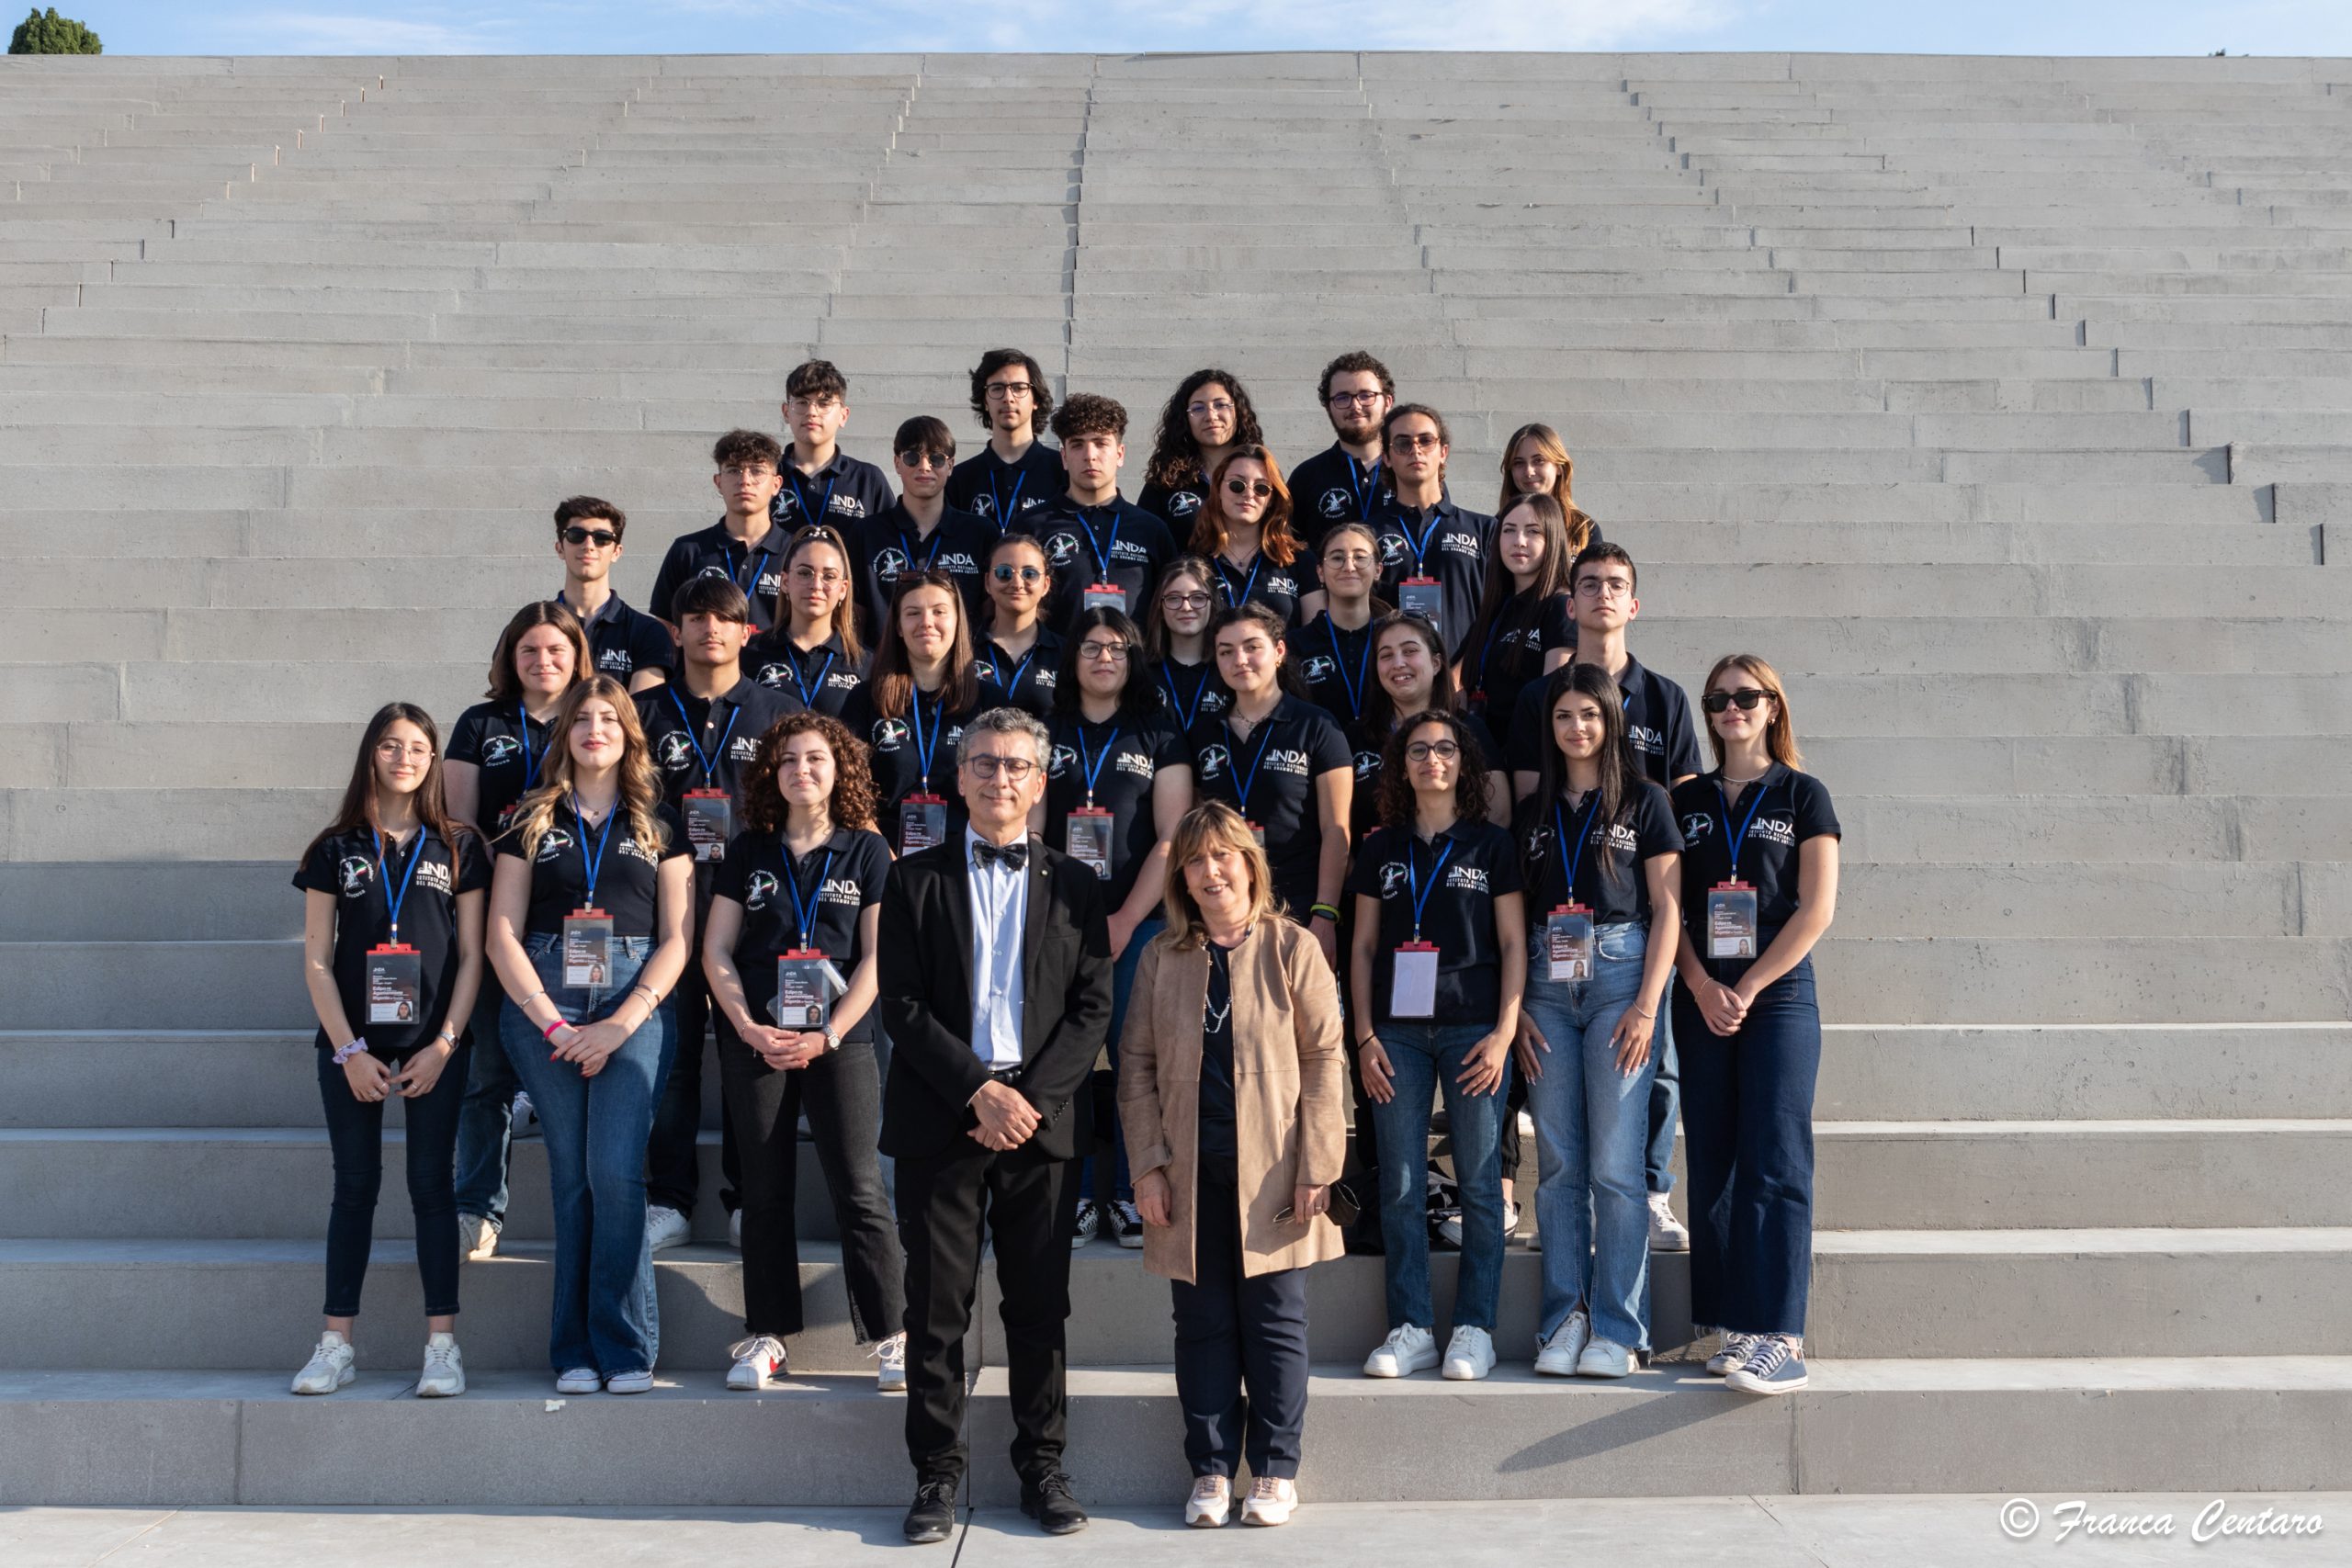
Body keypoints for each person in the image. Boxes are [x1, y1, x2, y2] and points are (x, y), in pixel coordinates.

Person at [878, 707, 1114, 1544]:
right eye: (985, 762)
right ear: (960, 774)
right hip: (943, 1118)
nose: (1000, 777)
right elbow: (900, 1007)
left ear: (1039, 781)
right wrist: (978, 1091)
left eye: (1016, 765)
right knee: (936, 1309)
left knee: (1039, 1308)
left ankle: (1042, 1467)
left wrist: (1027, 1100)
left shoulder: (1080, 885)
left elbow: (1092, 1009)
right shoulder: (910, 880)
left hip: (1039, 1126)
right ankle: (936, 1473)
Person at [1120, 802, 1346, 1529]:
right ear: (1180, 876)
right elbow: (1136, 1066)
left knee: (1276, 1322)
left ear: (1250, 862)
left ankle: (1276, 1470)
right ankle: (1211, 1468)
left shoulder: (1293, 948)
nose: (1211, 871)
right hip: (1189, 1172)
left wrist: (1319, 1161)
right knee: (1202, 1323)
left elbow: (1322, 1058)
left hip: (1276, 1174)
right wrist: (1148, 1165)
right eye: (1195, 860)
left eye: (1223, 855)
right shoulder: (1162, 955)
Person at [486, 675, 694, 1395]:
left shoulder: (659, 821)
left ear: (628, 732)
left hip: (633, 998)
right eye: (582, 718)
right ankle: (573, 1349)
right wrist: (551, 1021)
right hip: (543, 995)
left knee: (614, 1171)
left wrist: (618, 1023)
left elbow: (677, 939)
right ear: (564, 733)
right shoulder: (528, 819)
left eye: (610, 716)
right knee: (572, 1179)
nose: (595, 728)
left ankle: (625, 1345)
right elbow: (501, 932)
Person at [1507, 543, 1705, 1250]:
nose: (1600, 595)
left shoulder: (1665, 697)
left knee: (1656, 1059)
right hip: (1558, 914)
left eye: (1615, 584)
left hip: (1635, 921)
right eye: (1587, 583)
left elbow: (1680, 811)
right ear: (1571, 601)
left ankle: (1651, 1190)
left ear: (1633, 603)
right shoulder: (1539, 699)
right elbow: (1533, 806)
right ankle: (1570, 1206)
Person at [703, 712, 907, 1393]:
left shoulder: (867, 851)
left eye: (816, 758)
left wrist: (834, 1032)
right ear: (771, 773)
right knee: (763, 1192)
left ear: (839, 767)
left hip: (839, 1039)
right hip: (757, 1039)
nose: (802, 771)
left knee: (861, 1188)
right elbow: (716, 950)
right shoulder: (747, 850)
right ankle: (768, 1336)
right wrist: (745, 1026)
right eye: (788, 760)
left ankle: (891, 1334)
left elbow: (879, 957)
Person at [289, 704, 489, 1398]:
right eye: (389, 745)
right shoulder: (335, 847)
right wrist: (348, 1050)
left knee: (433, 1189)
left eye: (417, 747)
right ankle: (335, 1343)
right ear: (370, 755)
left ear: (434, 759)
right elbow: (316, 961)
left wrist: (444, 1043)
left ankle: (442, 1347)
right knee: (354, 1188)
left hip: (434, 1046)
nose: (404, 757)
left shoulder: (460, 845)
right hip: (355, 1049)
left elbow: (471, 959)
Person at [1670, 655, 1840, 1396]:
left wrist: (1749, 984)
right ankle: (1730, 1323)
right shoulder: (1686, 799)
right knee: (1713, 1157)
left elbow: (1816, 908)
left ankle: (1780, 1333)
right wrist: (1703, 981)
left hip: (1775, 994)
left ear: (1774, 706)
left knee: (1776, 1155)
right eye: (1718, 698)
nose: (1731, 707)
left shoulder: (1804, 794)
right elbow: (1665, 907)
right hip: (1702, 991)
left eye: (1746, 697)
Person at [1514, 663, 1683, 1380]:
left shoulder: (1644, 801)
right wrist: (1519, 1002)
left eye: (1589, 713)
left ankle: (1620, 1326)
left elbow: (1669, 908)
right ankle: (1564, 1317)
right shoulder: (1533, 810)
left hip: (1620, 974)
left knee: (1615, 1168)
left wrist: (1648, 1004)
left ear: (1611, 719)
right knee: (1557, 1167)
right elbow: (1514, 915)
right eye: (1563, 716)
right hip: (1546, 983)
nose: (1577, 727)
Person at [1349, 711, 1525, 1383]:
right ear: (1402, 765)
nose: (1432, 759)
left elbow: (1513, 945)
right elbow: (1361, 947)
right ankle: (1413, 1325)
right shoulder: (1380, 847)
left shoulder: (1491, 845)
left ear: (1463, 761)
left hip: (1474, 1030)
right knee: (1398, 1181)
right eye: (1418, 749)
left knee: (1482, 1183)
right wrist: (1363, 1035)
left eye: (1445, 747)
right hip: (1394, 1033)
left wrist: (1505, 1032)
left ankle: (1475, 1327)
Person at [635, 578, 796, 1252]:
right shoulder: (640, 711)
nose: (709, 629)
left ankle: (744, 1196)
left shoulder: (778, 712)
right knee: (670, 1061)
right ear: (675, 630)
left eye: (724, 618)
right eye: (695, 617)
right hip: (661, 910)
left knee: (743, 1052)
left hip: (748, 911)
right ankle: (668, 1197)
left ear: (747, 631)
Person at [1042, 608, 1194, 1248]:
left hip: (1142, 924)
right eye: (1092, 646)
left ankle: (1137, 1191)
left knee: (1140, 1060)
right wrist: (1061, 922)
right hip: (1056, 926)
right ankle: (1071, 1195)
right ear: (1072, 656)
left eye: (1118, 647)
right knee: (1063, 1062)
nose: (1105, 657)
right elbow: (1026, 833)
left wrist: (1125, 919)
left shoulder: (1157, 731)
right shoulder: (1046, 730)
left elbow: (1171, 837)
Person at [445, 601, 587, 1260]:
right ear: (510, 657)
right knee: (488, 1069)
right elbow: (459, 824)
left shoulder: (594, 717)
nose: (543, 661)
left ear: (577, 656)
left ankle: (605, 1203)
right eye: (529, 650)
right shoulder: (482, 722)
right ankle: (477, 1205)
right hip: (499, 906)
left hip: (575, 907)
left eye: (556, 650)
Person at [1188, 604, 1351, 974]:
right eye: (1226, 651)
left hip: (1298, 906)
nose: (1239, 660)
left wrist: (1325, 914)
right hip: (1224, 908)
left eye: (1252, 647)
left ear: (1279, 652)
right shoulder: (1203, 732)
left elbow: (1336, 831)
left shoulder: (1318, 726)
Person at [839, 571, 1007, 855]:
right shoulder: (866, 699)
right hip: (883, 858)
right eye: (913, 613)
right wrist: (882, 857)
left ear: (957, 622)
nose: (926, 622)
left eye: (939, 612)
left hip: (968, 858)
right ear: (899, 627)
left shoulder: (990, 701)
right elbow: (846, 785)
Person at [1018, 392, 1174, 632]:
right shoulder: (1031, 526)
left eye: (1101, 443)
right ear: (1064, 457)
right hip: (1055, 667)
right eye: (1077, 445)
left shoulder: (1151, 529)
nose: (1089, 455)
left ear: (1120, 454)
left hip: (1134, 666)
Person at [1350, 613, 1509, 839]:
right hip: (1375, 869)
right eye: (1386, 655)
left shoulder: (1470, 729)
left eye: (1410, 651)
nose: (1398, 663)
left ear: (1436, 663)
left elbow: (1499, 816)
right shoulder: (1356, 736)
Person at [1366, 406, 1493, 660]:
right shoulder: (1367, 535)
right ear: (1387, 458)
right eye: (1402, 443)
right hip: (1394, 677)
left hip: (1463, 686)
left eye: (1426, 440)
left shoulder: (1484, 529)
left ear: (1443, 452)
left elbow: (1498, 613)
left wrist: (1462, 675)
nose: (1416, 450)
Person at [859, 415, 996, 636]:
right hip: (884, 667)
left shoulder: (981, 533)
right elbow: (855, 617)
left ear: (950, 465)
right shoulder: (866, 534)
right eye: (912, 458)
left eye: (936, 459)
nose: (924, 467)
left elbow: (991, 612)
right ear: (897, 463)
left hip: (961, 667)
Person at [649, 429, 789, 635]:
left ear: (776, 484)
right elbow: (666, 627)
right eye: (733, 470)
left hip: (777, 667)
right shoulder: (688, 551)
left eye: (757, 471)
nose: (745, 480)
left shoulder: (797, 551)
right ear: (718, 482)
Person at [1457, 491, 1577, 729]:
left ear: (1552, 539)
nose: (1519, 541)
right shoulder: (1497, 607)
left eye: (1533, 531)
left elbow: (1553, 698)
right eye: (1509, 530)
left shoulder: (1561, 607)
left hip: (1526, 755)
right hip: (1485, 747)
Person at [548, 496, 671, 694]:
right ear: (560, 548)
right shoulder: (532, 629)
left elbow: (642, 715)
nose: (588, 545)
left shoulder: (647, 633)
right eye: (576, 535)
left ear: (616, 552)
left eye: (602, 538)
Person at [748, 524, 868, 719]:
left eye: (829, 576)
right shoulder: (750, 655)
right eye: (805, 573)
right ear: (785, 582)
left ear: (843, 589)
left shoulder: (864, 665)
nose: (816, 585)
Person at [1189, 446, 1316, 627]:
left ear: (1271, 499)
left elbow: (1314, 636)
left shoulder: (1300, 561)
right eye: (1237, 485)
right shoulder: (1195, 561)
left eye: (1261, 488)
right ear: (1218, 490)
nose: (1248, 494)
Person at [1286, 351, 1396, 551]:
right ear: (1329, 407)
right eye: (1342, 398)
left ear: (1387, 402)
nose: (1355, 405)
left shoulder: (1411, 471)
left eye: (1366, 395)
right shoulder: (1306, 477)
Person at [771, 358, 894, 535]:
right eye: (802, 402)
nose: (812, 412)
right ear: (786, 412)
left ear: (843, 415)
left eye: (824, 404)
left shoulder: (867, 480)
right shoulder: (765, 476)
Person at [947, 347, 1061, 529]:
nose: (1008, 398)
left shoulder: (1063, 473)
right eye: (997, 388)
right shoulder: (960, 480)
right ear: (985, 401)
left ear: (1036, 400)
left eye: (1019, 388)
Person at [1137, 368, 1265, 528]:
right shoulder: (1166, 481)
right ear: (1184, 419)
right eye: (1198, 408)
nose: (1211, 416)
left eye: (1220, 405)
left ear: (1238, 412)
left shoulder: (1263, 474)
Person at [1292, 523, 1385, 731]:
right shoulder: (1295, 645)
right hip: (1319, 759)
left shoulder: (1393, 638)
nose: (1349, 566)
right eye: (1337, 558)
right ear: (1320, 573)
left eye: (1360, 557)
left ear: (1378, 570)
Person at [974, 532, 1062, 718]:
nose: (1017, 583)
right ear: (987, 582)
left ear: (1045, 585)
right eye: (1004, 573)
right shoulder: (963, 648)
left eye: (1029, 574)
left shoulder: (1065, 654)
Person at [1142, 556, 1230, 731]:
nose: (1186, 607)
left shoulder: (1230, 668)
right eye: (1174, 599)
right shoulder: (1141, 672)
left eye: (1197, 598)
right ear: (1160, 608)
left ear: (1212, 605)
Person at [1494, 423, 1600, 560]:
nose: (1529, 472)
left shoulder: (1584, 529)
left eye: (1539, 461)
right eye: (1519, 463)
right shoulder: (1495, 527)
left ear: (1559, 467)